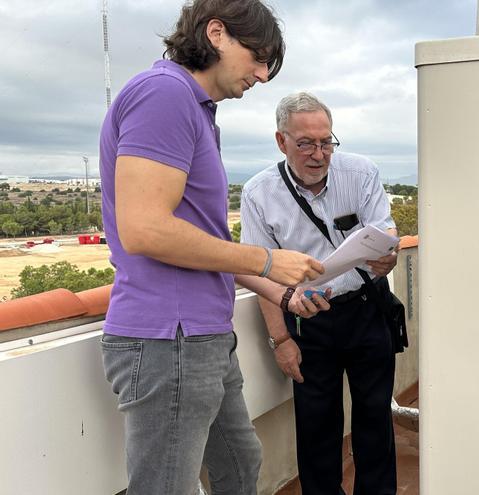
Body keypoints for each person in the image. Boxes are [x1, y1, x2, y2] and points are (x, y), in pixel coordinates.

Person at [98, 2, 330, 494]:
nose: (263, 76)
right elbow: (145, 229)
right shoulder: (164, 94)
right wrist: (267, 258)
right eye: (258, 57)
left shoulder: (195, 110)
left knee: (240, 467)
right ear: (217, 33)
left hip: (200, 335)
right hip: (169, 337)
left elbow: (205, 243)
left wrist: (279, 290)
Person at [240, 92, 400, 494]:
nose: (318, 154)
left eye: (326, 141)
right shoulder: (259, 193)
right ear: (281, 141)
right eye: (305, 144)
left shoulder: (361, 172)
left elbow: (387, 231)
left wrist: (389, 256)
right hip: (309, 319)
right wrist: (280, 340)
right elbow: (259, 272)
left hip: (367, 310)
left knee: (375, 419)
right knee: (316, 428)